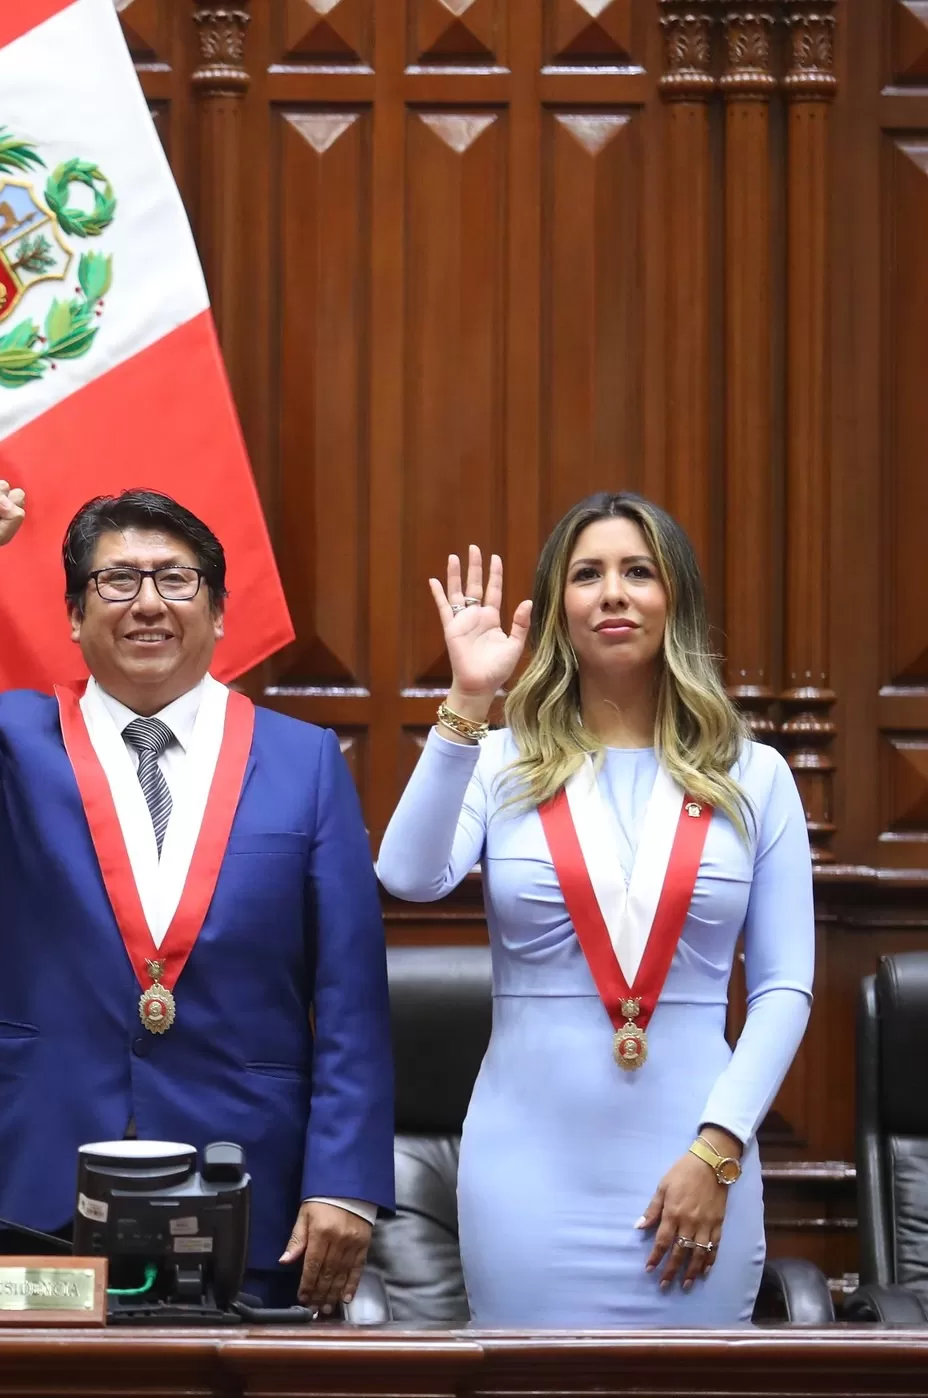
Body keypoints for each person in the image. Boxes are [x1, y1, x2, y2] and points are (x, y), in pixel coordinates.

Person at [0, 474, 393, 1313]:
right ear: (73, 615)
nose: (147, 602)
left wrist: (346, 1182)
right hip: (36, 1183)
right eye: (116, 580)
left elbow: (350, 994)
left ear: (217, 611)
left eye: (175, 579)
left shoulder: (304, 761)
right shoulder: (11, 742)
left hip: (245, 1177)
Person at [374, 492, 814, 1326]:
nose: (613, 593)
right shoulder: (501, 761)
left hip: (696, 1164)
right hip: (527, 1176)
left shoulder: (754, 776)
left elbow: (784, 988)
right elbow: (408, 875)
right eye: (588, 575)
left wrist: (717, 1151)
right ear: (558, 610)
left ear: (673, 599)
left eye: (637, 572)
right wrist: (469, 701)